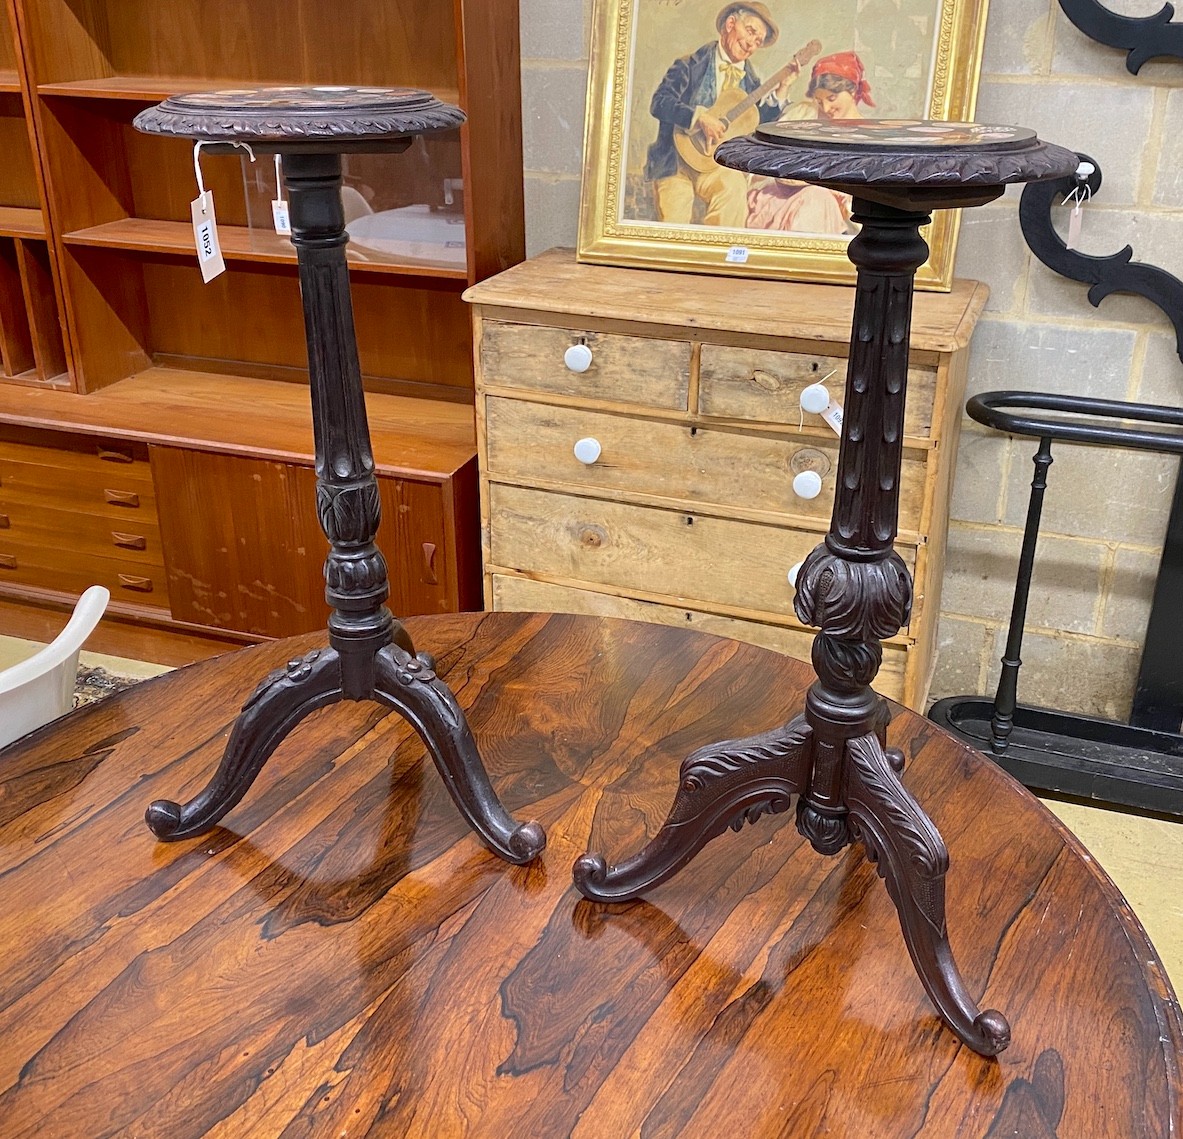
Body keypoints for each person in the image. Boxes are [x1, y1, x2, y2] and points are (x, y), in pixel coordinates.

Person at [646, 3, 796, 228]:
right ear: (730, 24)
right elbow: (660, 103)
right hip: (676, 165)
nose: (751, 44)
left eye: (758, 41)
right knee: (673, 226)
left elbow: (756, 125)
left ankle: (719, 257)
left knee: (734, 188)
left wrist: (782, 89)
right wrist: (698, 118)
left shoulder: (751, 83)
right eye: (750, 31)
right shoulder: (690, 65)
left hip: (715, 167)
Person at [745, 51, 874, 235]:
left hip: (828, 209)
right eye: (819, 101)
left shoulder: (867, 136)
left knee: (818, 199)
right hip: (777, 196)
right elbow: (769, 157)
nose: (826, 109)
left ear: (852, 90)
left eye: (831, 99)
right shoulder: (802, 115)